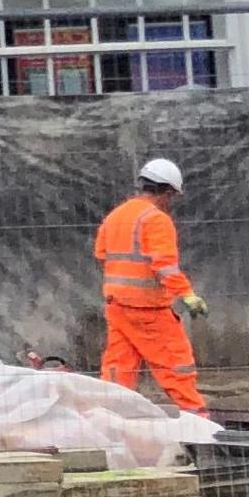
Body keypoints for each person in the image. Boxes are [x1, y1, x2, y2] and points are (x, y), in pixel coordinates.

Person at [95, 156, 208, 412]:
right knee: (177, 366)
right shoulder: (156, 220)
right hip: (149, 312)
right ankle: (199, 425)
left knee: (117, 371)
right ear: (167, 191)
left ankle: (109, 420)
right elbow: (164, 265)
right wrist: (187, 295)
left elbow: (101, 254)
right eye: (173, 196)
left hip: (117, 307)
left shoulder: (116, 216)